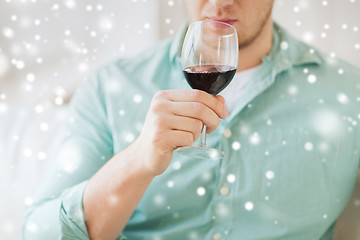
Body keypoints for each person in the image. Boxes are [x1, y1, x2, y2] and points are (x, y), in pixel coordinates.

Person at [23, 0, 360, 239]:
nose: (221, 2)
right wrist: (138, 160)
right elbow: (40, 234)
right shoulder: (111, 87)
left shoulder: (347, 93)